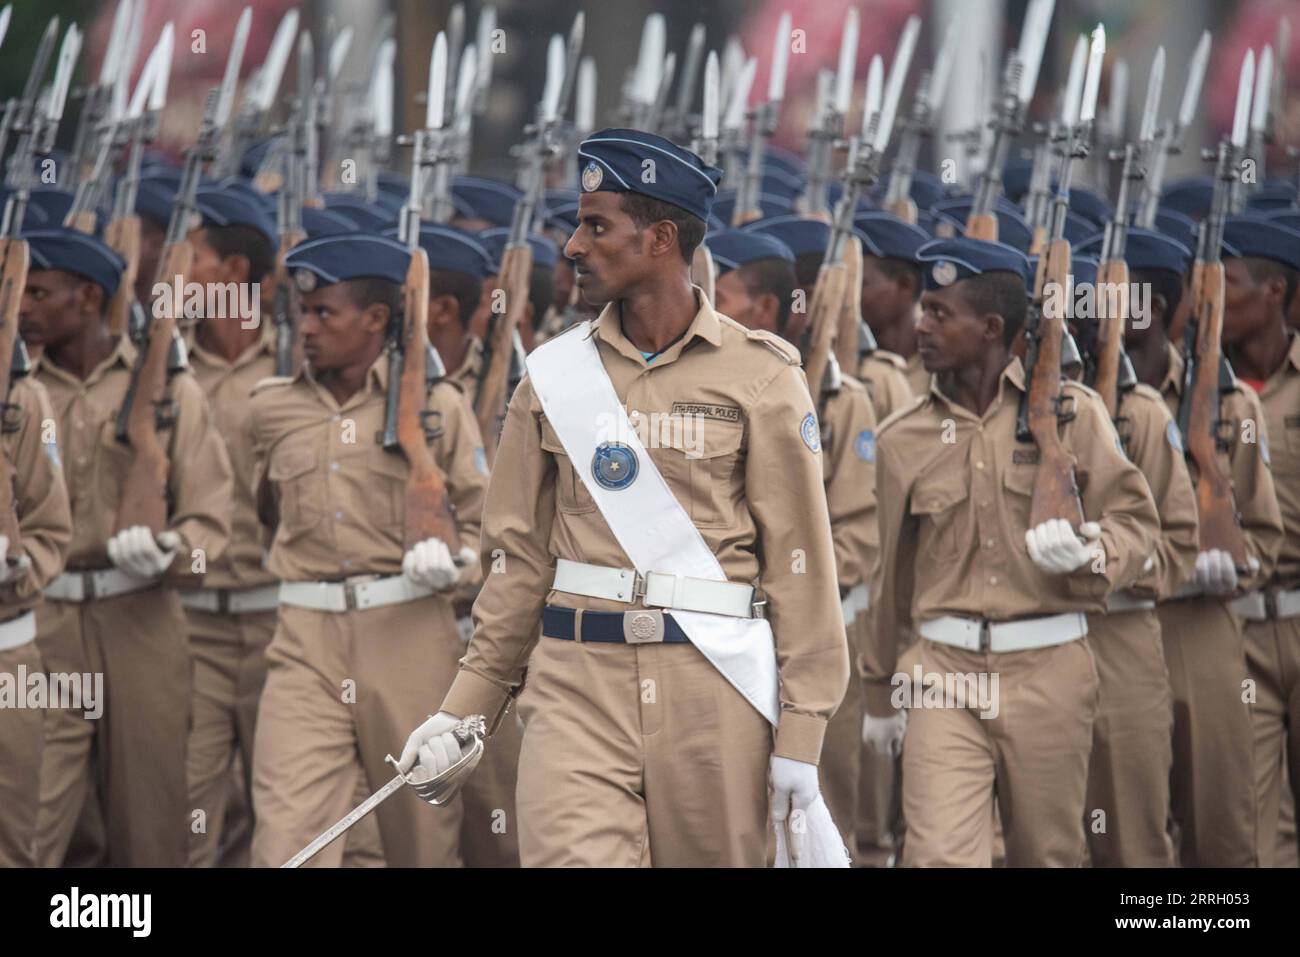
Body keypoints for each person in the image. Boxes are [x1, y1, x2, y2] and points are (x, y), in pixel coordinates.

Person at [399, 129, 850, 867]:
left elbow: (801, 569)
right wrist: (461, 709)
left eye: (596, 225)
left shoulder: (762, 375)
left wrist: (802, 735)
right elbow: (515, 566)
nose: (573, 246)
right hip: (575, 685)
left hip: (714, 689)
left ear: (661, 238)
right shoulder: (550, 376)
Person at [866, 237, 1161, 867]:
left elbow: (1139, 527)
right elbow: (889, 576)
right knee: (937, 855)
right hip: (940, 673)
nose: (922, 325)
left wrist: (1093, 551)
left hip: (1048, 667)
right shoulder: (902, 439)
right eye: (924, 309)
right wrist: (876, 696)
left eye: (941, 313)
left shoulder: (1074, 416)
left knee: (1046, 854)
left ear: (992, 328)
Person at [244, 232, 487, 868]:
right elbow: (251, 516)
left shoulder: (437, 408)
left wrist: (456, 562)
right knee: (285, 841)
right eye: (304, 312)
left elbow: (494, 532)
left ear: (376, 319)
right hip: (303, 639)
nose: (308, 327)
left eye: (325, 311)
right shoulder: (270, 409)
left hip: (407, 632)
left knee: (419, 838)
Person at [22, 226, 233, 866]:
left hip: (140, 622)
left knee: (149, 824)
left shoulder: (169, 391)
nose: (22, 306)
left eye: (39, 292)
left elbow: (210, 524)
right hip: (44, 623)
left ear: (87, 297)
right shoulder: (19, 395)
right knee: (31, 819)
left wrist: (171, 552)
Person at [710, 227, 877, 858]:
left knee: (814, 825)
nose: (709, 306)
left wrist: (782, 589)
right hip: (728, 644)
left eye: (722, 294)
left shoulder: (842, 401)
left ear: (765, 312)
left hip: (810, 639)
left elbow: (857, 540)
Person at [1135, 216, 1285, 867]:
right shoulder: (1078, 400)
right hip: (1113, 628)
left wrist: (1232, 564)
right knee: (1121, 839)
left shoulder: (1229, 406)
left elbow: (1262, 534)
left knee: (1219, 834)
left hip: (1199, 629)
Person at [1071, 231, 1201, 866]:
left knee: (1132, 842)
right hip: (1033, 649)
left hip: (1120, 639)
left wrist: (1107, 556)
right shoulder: (1027, 412)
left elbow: (1176, 544)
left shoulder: (1143, 416)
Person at [178, 184, 281, 867]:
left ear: (234, 274)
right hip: (190, 627)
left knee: (282, 816)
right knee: (187, 820)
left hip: (283, 629)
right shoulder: (163, 365)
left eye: (193, 256)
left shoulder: (301, 363)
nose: (176, 272)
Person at [1216, 214, 1300, 868]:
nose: (1214, 294)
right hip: (1240, 627)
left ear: (1273, 292)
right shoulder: (1206, 391)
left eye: (1232, 282)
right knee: (1256, 835)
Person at [0, 358, 73, 867]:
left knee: (12, 843)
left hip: (6, 656)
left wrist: (13, 566)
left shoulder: (21, 397)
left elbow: (50, 529)